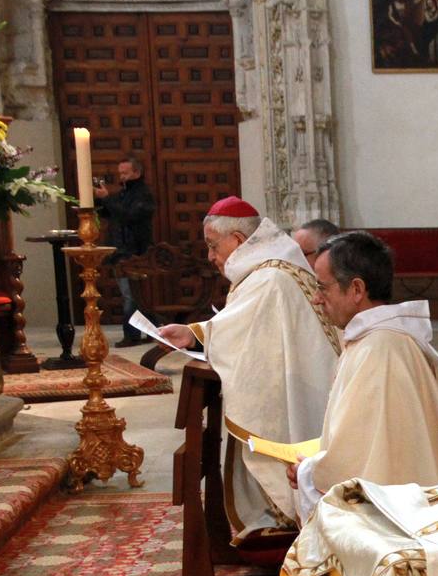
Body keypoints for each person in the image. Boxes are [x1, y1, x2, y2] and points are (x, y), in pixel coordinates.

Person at [159, 196, 341, 540]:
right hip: (305, 383)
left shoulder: (268, 278)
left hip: (291, 390)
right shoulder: (273, 268)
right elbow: (242, 327)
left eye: (213, 246)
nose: (211, 257)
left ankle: (280, 519)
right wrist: (195, 333)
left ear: (239, 241)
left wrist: (198, 335)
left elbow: (241, 334)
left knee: (267, 435)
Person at [286, 230, 438, 522]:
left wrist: (309, 471)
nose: (317, 298)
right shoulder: (379, 340)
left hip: (403, 515)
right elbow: (368, 441)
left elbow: (358, 460)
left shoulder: (379, 350)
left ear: (356, 289)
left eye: (323, 287)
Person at [94, 155, 156, 348]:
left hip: (135, 252)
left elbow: (130, 216)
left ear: (137, 172)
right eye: (120, 173)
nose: (121, 177)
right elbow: (110, 214)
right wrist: (101, 201)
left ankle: (132, 335)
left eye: (125, 173)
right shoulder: (123, 193)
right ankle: (152, 329)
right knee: (135, 295)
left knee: (134, 295)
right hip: (121, 251)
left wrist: (108, 200)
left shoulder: (143, 194)